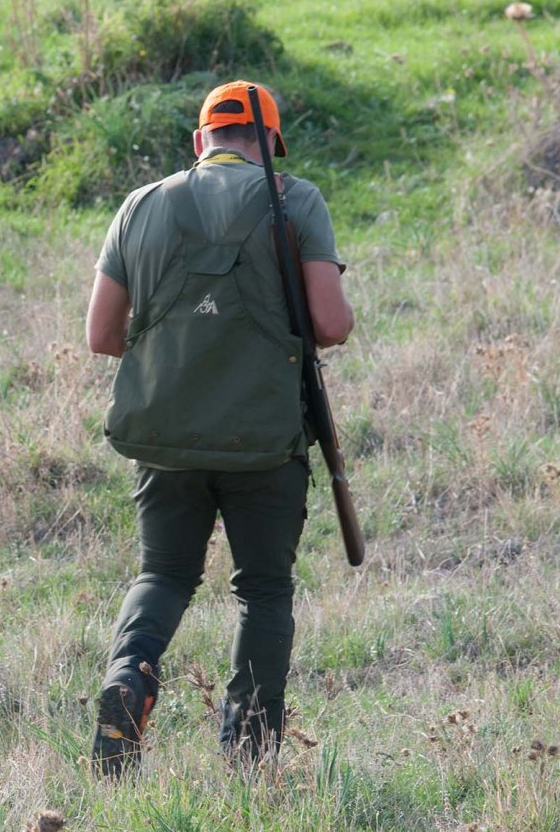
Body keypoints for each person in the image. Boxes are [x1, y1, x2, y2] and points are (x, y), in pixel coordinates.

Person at [84, 80, 354, 778]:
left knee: (163, 573)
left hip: (163, 438)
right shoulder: (295, 199)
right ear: (270, 145)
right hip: (265, 440)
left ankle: (128, 682)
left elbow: (100, 334)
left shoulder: (140, 203)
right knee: (263, 589)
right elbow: (330, 324)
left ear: (200, 142)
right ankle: (247, 749)